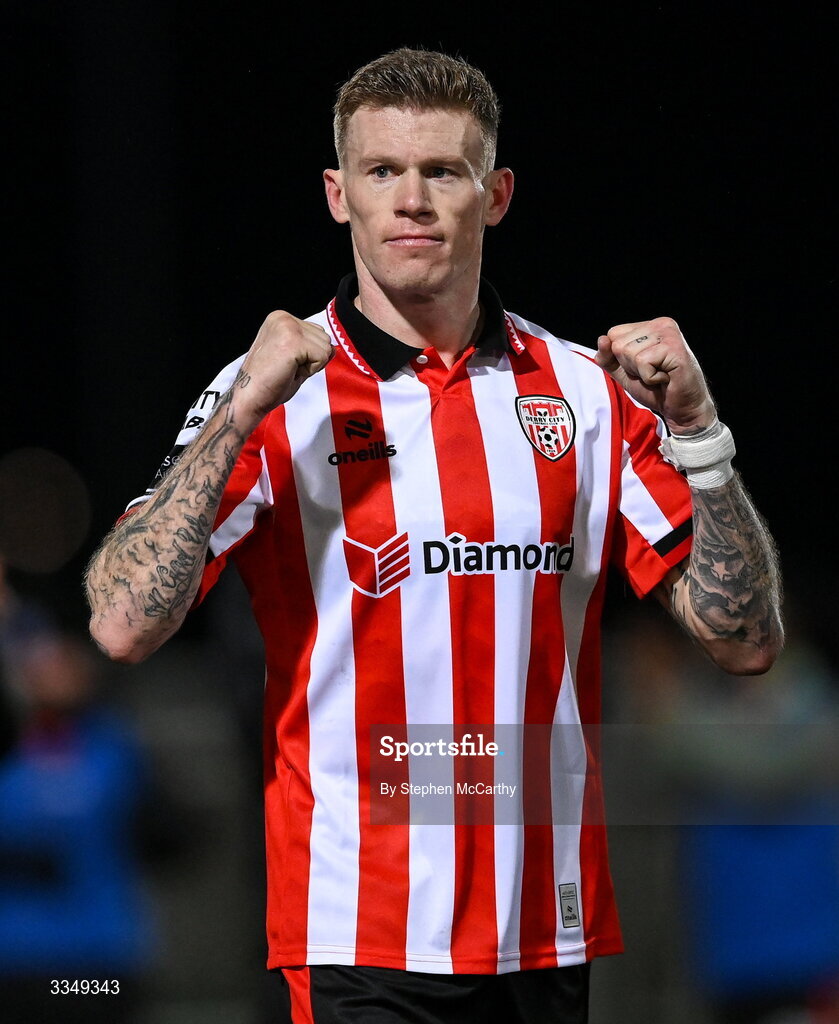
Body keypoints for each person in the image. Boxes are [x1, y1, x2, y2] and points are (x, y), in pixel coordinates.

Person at [84, 47, 783, 1024]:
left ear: (494, 195)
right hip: (353, 931)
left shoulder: (583, 394)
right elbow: (121, 623)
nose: (411, 200)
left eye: (442, 171)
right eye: (382, 171)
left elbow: (742, 639)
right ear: (338, 195)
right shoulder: (278, 397)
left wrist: (700, 434)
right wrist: (237, 412)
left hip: (545, 928)